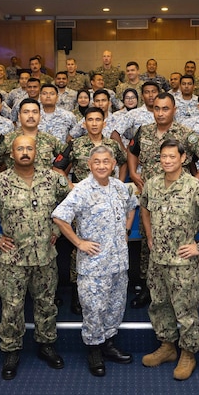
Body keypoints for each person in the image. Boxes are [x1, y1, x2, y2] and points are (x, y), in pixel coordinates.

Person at [0, 135, 71, 380]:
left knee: (46, 304)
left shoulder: (53, 179)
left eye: (29, 148)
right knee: (12, 308)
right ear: (11, 154)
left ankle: (46, 344)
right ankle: (11, 350)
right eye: (20, 148)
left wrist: (58, 230)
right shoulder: (0, 182)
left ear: (36, 152)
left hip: (46, 257)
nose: (25, 152)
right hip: (13, 259)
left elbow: (72, 204)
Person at [139, 139, 199, 380]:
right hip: (157, 260)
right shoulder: (152, 184)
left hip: (183, 262)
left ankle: (188, 352)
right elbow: (144, 209)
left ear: (183, 158)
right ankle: (167, 346)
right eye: (163, 157)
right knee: (159, 304)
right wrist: (149, 235)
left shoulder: (195, 186)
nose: (167, 161)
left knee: (185, 309)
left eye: (172, 157)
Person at [126, 93, 199, 308]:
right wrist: (132, 172)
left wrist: (192, 183)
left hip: (179, 203)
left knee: (179, 245)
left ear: (174, 110)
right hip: (152, 198)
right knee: (148, 243)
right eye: (157, 108)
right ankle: (149, 289)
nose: (160, 113)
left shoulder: (186, 134)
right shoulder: (144, 131)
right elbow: (132, 151)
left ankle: (179, 291)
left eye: (165, 109)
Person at [52, 145, 138, 377]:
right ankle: (94, 349)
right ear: (89, 165)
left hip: (119, 262)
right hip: (94, 265)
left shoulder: (121, 188)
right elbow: (60, 217)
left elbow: (133, 207)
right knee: (94, 309)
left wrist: (127, 230)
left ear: (113, 165)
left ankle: (108, 344)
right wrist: (79, 242)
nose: (101, 166)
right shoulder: (81, 190)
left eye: (106, 161)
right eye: (96, 162)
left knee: (115, 307)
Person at [0, 99, 65, 171]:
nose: (31, 116)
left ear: (40, 116)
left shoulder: (50, 139)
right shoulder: (7, 139)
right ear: (19, 116)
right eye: (26, 112)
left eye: (35, 112)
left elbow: (66, 158)